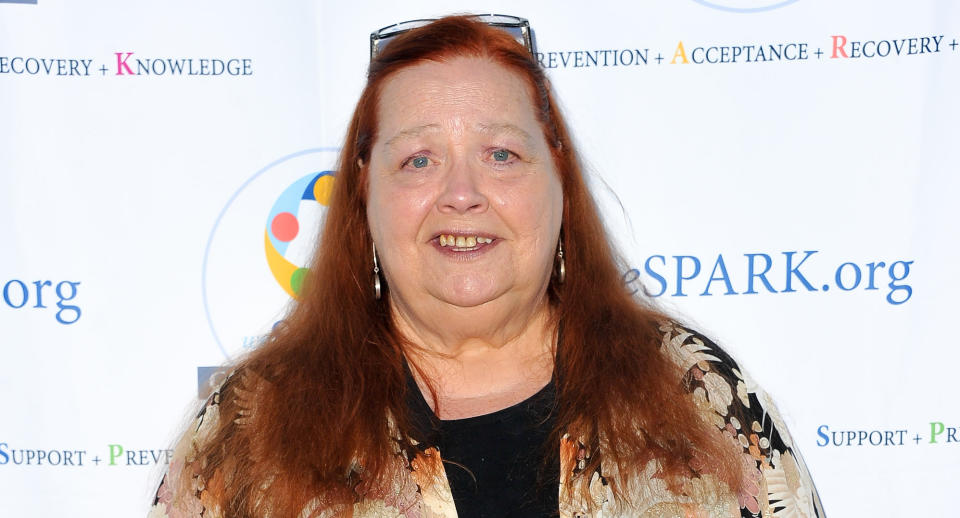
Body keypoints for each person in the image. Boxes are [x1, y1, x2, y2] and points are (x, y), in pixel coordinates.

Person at [149, 15, 825, 518]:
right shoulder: (247, 430)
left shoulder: (698, 397)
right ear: (364, 194)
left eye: (502, 154)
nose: (462, 192)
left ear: (558, 181)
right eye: (418, 159)